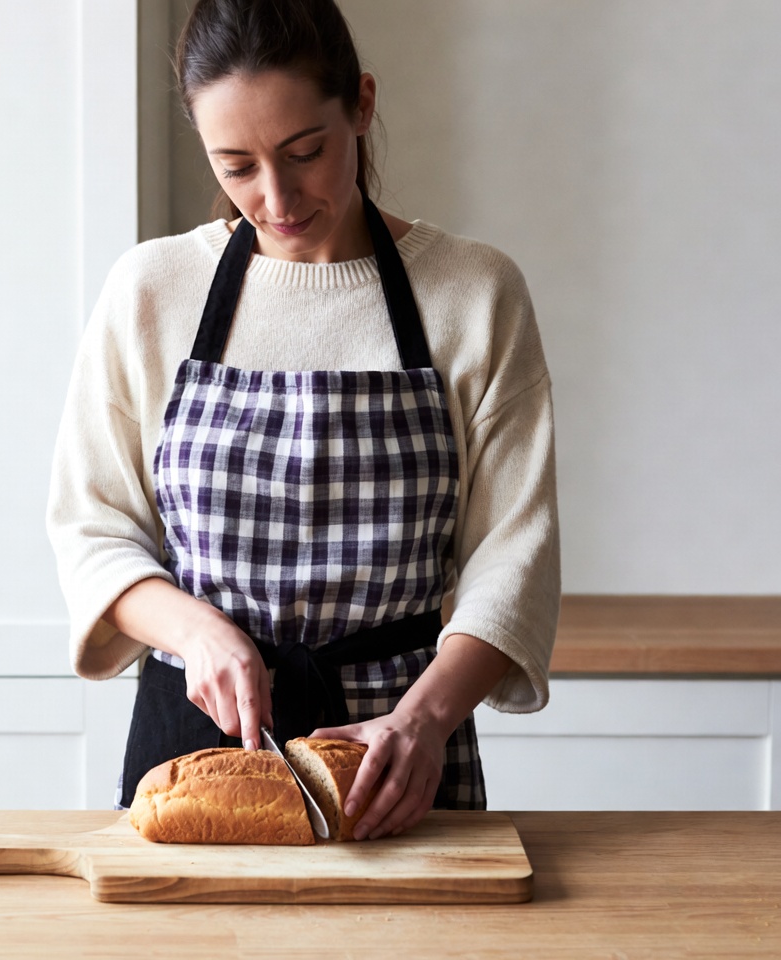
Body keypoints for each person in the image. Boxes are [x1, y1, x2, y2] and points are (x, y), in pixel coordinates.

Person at [47, 0, 560, 841]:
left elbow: (515, 555)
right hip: (199, 744)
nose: (276, 199)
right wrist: (197, 632)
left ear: (360, 105)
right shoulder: (151, 289)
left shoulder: (473, 292)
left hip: (396, 752)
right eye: (236, 166)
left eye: (305, 153)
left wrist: (425, 721)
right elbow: (91, 527)